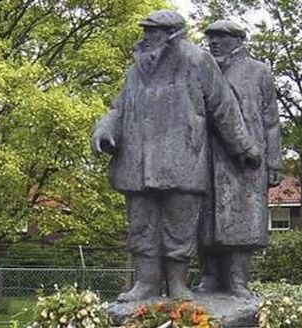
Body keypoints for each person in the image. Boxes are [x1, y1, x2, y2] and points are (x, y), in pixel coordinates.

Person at [92, 10, 260, 301]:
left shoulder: (197, 60)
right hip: (138, 162)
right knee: (141, 227)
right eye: (145, 31)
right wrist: (104, 128)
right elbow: (118, 108)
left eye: (151, 31)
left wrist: (243, 147)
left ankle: (177, 284)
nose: (145, 37)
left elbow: (224, 108)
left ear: (171, 34)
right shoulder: (136, 70)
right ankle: (145, 284)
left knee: (179, 228)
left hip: (183, 159)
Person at [196, 20, 282, 297]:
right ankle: (209, 277)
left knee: (241, 219)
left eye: (220, 37)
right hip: (205, 154)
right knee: (204, 219)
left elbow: (271, 121)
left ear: (238, 39)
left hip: (246, 161)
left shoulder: (259, 71)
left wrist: (274, 162)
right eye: (210, 37)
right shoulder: (201, 69)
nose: (213, 42)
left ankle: (237, 280)